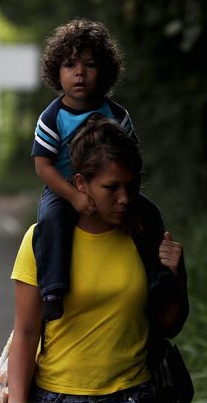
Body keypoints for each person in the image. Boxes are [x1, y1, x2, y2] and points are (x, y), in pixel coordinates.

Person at [7, 116, 189, 403]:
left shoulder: (144, 239)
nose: (124, 198)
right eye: (111, 188)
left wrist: (174, 278)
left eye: (131, 186)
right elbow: (25, 331)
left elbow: (167, 323)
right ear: (81, 184)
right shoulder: (42, 241)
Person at [31, 18, 173, 321]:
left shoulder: (116, 115)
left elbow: (131, 160)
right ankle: (53, 289)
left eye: (90, 65)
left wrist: (128, 198)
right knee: (50, 221)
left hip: (113, 186)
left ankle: (157, 278)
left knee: (149, 214)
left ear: (105, 72)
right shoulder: (53, 116)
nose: (79, 73)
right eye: (70, 65)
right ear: (56, 71)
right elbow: (42, 166)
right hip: (64, 188)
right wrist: (72, 195)